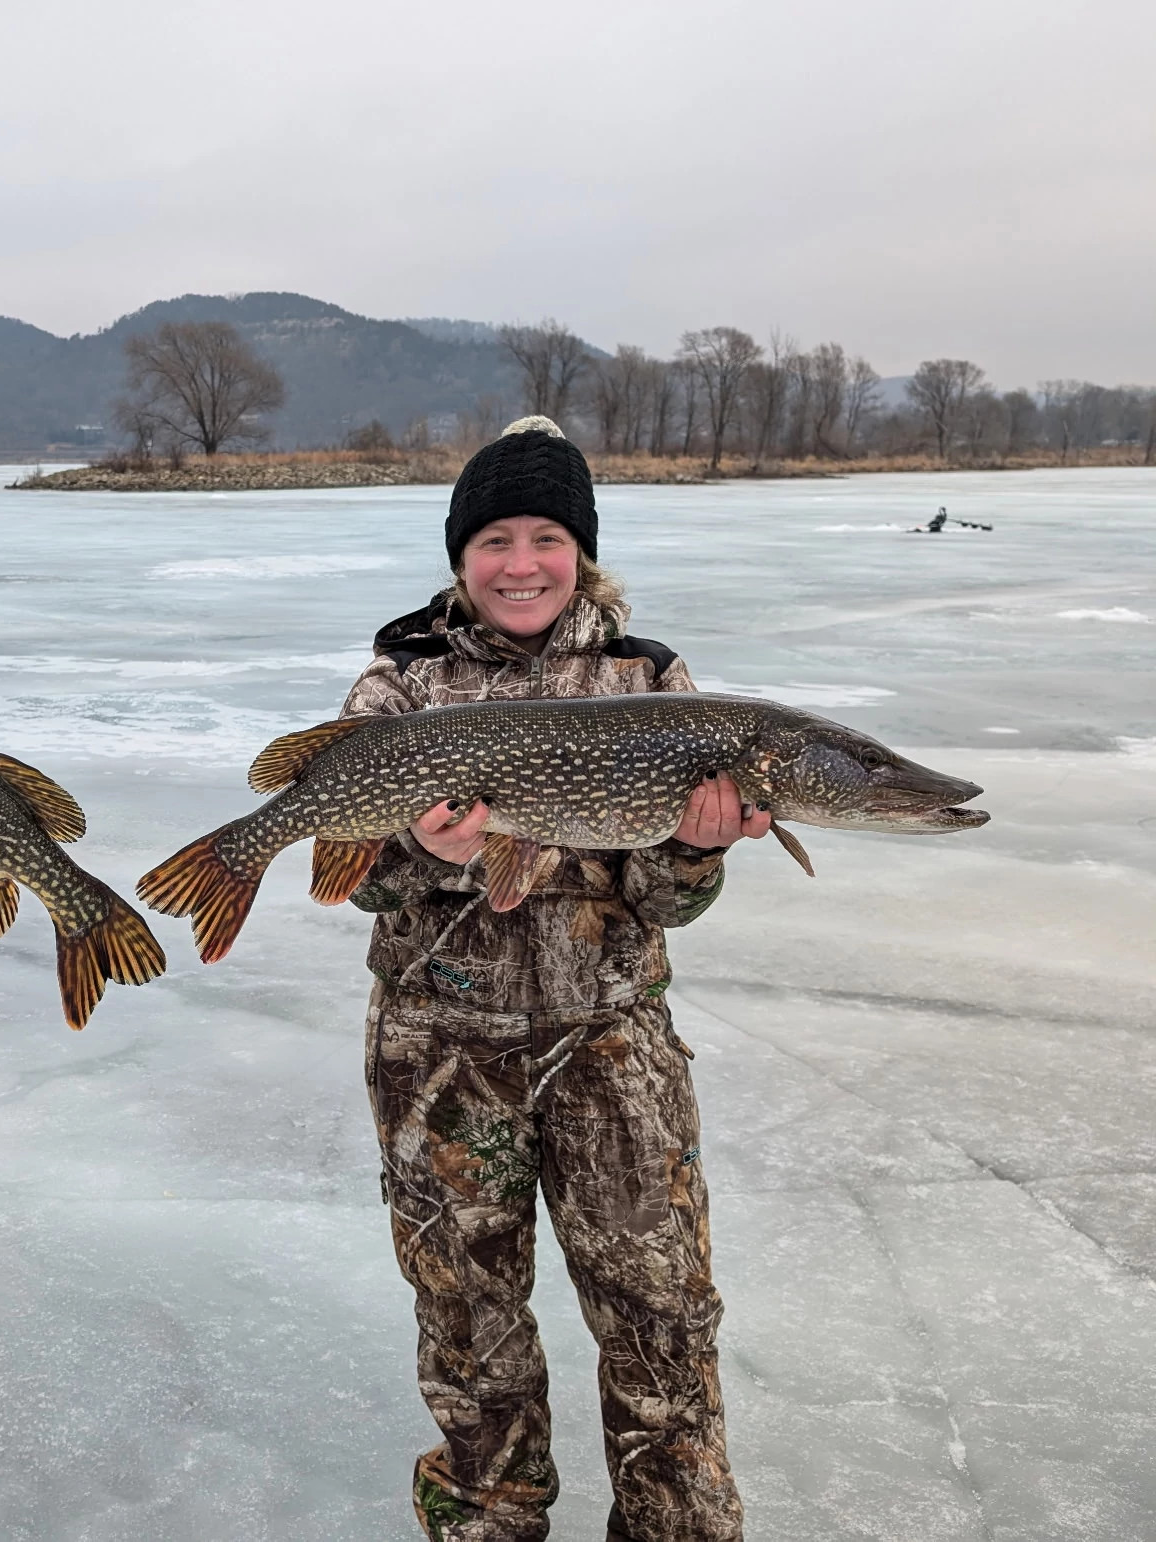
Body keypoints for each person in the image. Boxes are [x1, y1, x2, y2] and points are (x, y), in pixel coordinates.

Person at [343, 417, 765, 1542]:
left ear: (579, 549)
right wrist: (415, 857)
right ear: (458, 555)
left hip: (611, 1050)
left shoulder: (648, 681)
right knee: (468, 1338)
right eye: (492, 539)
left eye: (543, 536)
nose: (519, 562)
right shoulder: (400, 686)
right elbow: (358, 883)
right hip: (438, 1057)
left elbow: (667, 905)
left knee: (660, 1329)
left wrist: (695, 847)